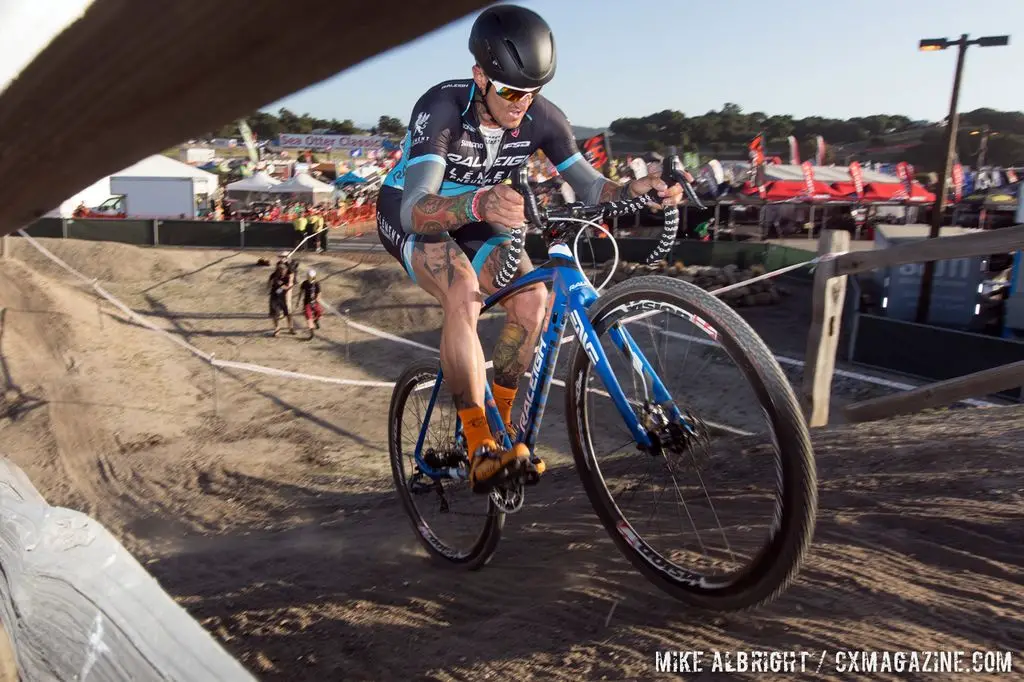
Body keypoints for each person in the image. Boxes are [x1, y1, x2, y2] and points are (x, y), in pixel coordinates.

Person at [375, 4, 684, 493]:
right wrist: (480, 201)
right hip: (415, 211)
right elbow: (415, 206)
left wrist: (638, 190)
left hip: (483, 212)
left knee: (533, 301)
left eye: (533, 91)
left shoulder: (542, 117)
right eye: (511, 91)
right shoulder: (441, 107)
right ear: (480, 76)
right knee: (462, 290)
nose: (522, 103)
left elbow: (588, 186)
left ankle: (502, 430)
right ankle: (478, 444)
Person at [268, 261, 295, 336]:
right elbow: (269, 285)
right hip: (274, 296)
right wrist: (274, 283)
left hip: (284, 296)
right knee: (275, 314)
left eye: (283, 269)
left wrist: (281, 285)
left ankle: (291, 327)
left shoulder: (288, 276)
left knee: (288, 313)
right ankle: (277, 329)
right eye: (280, 269)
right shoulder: (274, 275)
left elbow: (288, 286)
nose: (282, 271)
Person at [300, 269, 323, 339]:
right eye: (309, 277)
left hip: (315, 302)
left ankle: (316, 320)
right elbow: (301, 292)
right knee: (308, 318)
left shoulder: (317, 284)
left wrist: (318, 299)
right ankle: (312, 333)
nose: (310, 278)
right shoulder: (304, 283)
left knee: (319, 313)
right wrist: (298, 301)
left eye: (312, 277)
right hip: (307, 303)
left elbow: (319, 293)